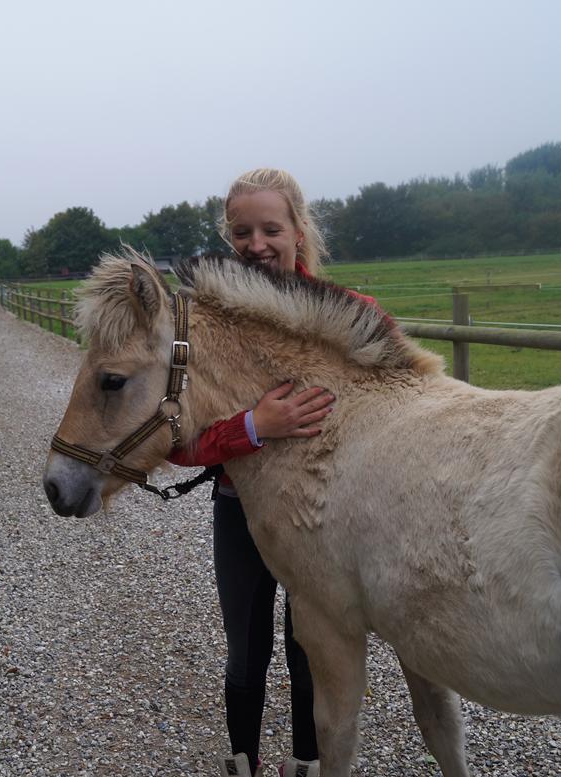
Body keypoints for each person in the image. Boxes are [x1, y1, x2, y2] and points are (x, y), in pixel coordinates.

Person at [169, 168, 380, 777]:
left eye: (270, 228)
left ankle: (308, 763)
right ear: (228, 238)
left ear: (297, 230)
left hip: (326, 513)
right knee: (246, 649)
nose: (256, 244)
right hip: (242, 511)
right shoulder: (208, 326)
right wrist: (254, 427)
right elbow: (175, 445)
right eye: (241, 232)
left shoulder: (353, 315)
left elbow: (400, 402)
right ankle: (243, 762)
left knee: (311, 648)